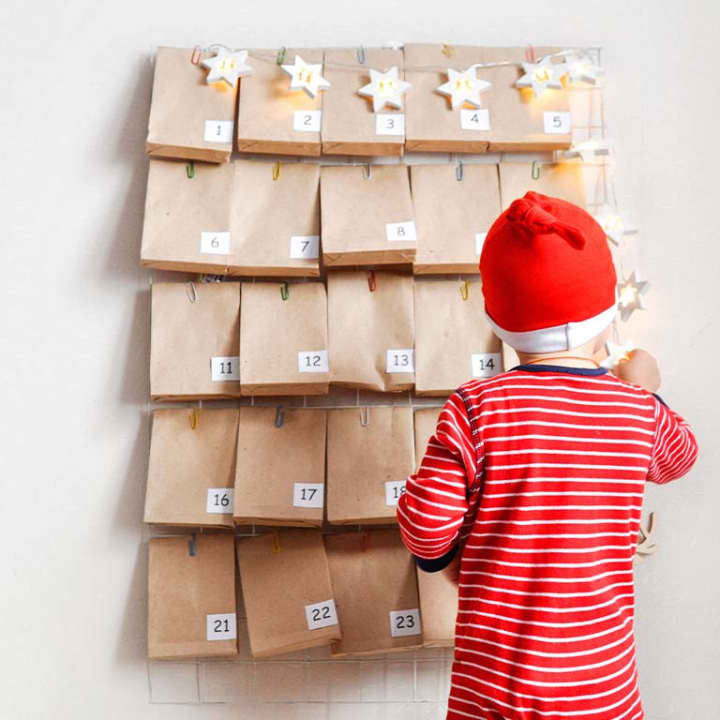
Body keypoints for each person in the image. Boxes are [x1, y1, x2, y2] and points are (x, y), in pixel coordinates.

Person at [396, 192, 698, 720]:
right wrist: (647, 390)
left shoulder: (475, 407)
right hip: (600, 689)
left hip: (493, 687)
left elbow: (426, 525)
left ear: (497, 317)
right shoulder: (636, 409)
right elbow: (680, 458)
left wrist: (447, 564)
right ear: (607, 312)